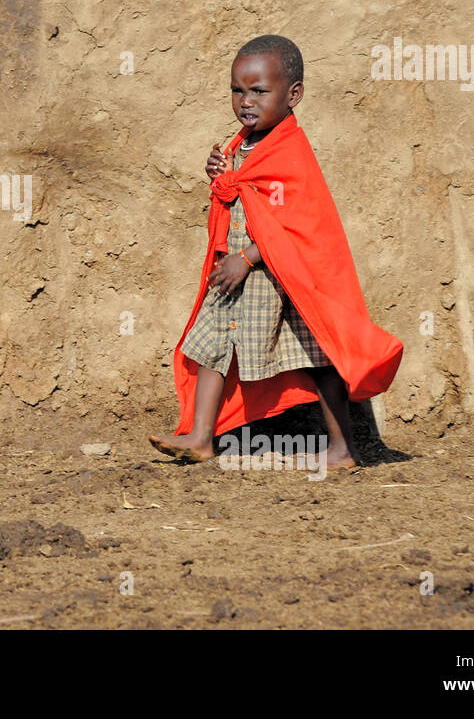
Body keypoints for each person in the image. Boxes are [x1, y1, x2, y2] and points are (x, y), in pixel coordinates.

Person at [148, 35, 403, 470]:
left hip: (282, 280)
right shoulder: (241, 145)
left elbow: (293, 223)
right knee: (211, 343)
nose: (246, 101)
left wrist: (245, 259)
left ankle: (343, 449)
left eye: (259, 91)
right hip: (235, 275)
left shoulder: (290, 152)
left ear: (293, 95)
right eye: (237, 90)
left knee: (318, 356)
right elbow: (244, 195)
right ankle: (201, 437)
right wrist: (220, 175)